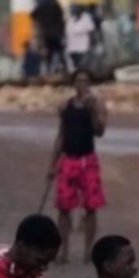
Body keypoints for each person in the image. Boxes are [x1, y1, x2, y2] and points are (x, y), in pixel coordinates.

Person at [47, 69, 107, 265]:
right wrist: (52, 164)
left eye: (86, 81)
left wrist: (93, 112)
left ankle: (88, 251)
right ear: (73, 83)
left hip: (87, 161)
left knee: (91, 208)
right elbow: (61, 136)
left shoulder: (96, 104)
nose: (82, 84)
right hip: (68, 160)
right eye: (79, 80)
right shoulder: (66, 106)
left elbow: (99, 131)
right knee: (63, 208)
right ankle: (63, 251)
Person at [31, 0, 67, 75]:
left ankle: (48, 71)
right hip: (56, 34)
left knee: (48, 53)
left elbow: (33, 15)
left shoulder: (42, 4)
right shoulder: (56, 4)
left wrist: (42, 21)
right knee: (60, 52)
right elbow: (61, 20)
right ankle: (64, 69)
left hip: (45, 33)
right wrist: (63, 32)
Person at [66, 5, 97, 72]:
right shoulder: (71, 20)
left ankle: (83, 75)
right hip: (72, 47)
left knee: (82, 64)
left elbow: (91, 30)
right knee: (75, 64)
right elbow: (68, 32)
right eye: (74, 9)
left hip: (83, 46)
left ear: (81, 11)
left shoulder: (86, 19)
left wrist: (91, 43)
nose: (75, 11)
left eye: (77, 9)